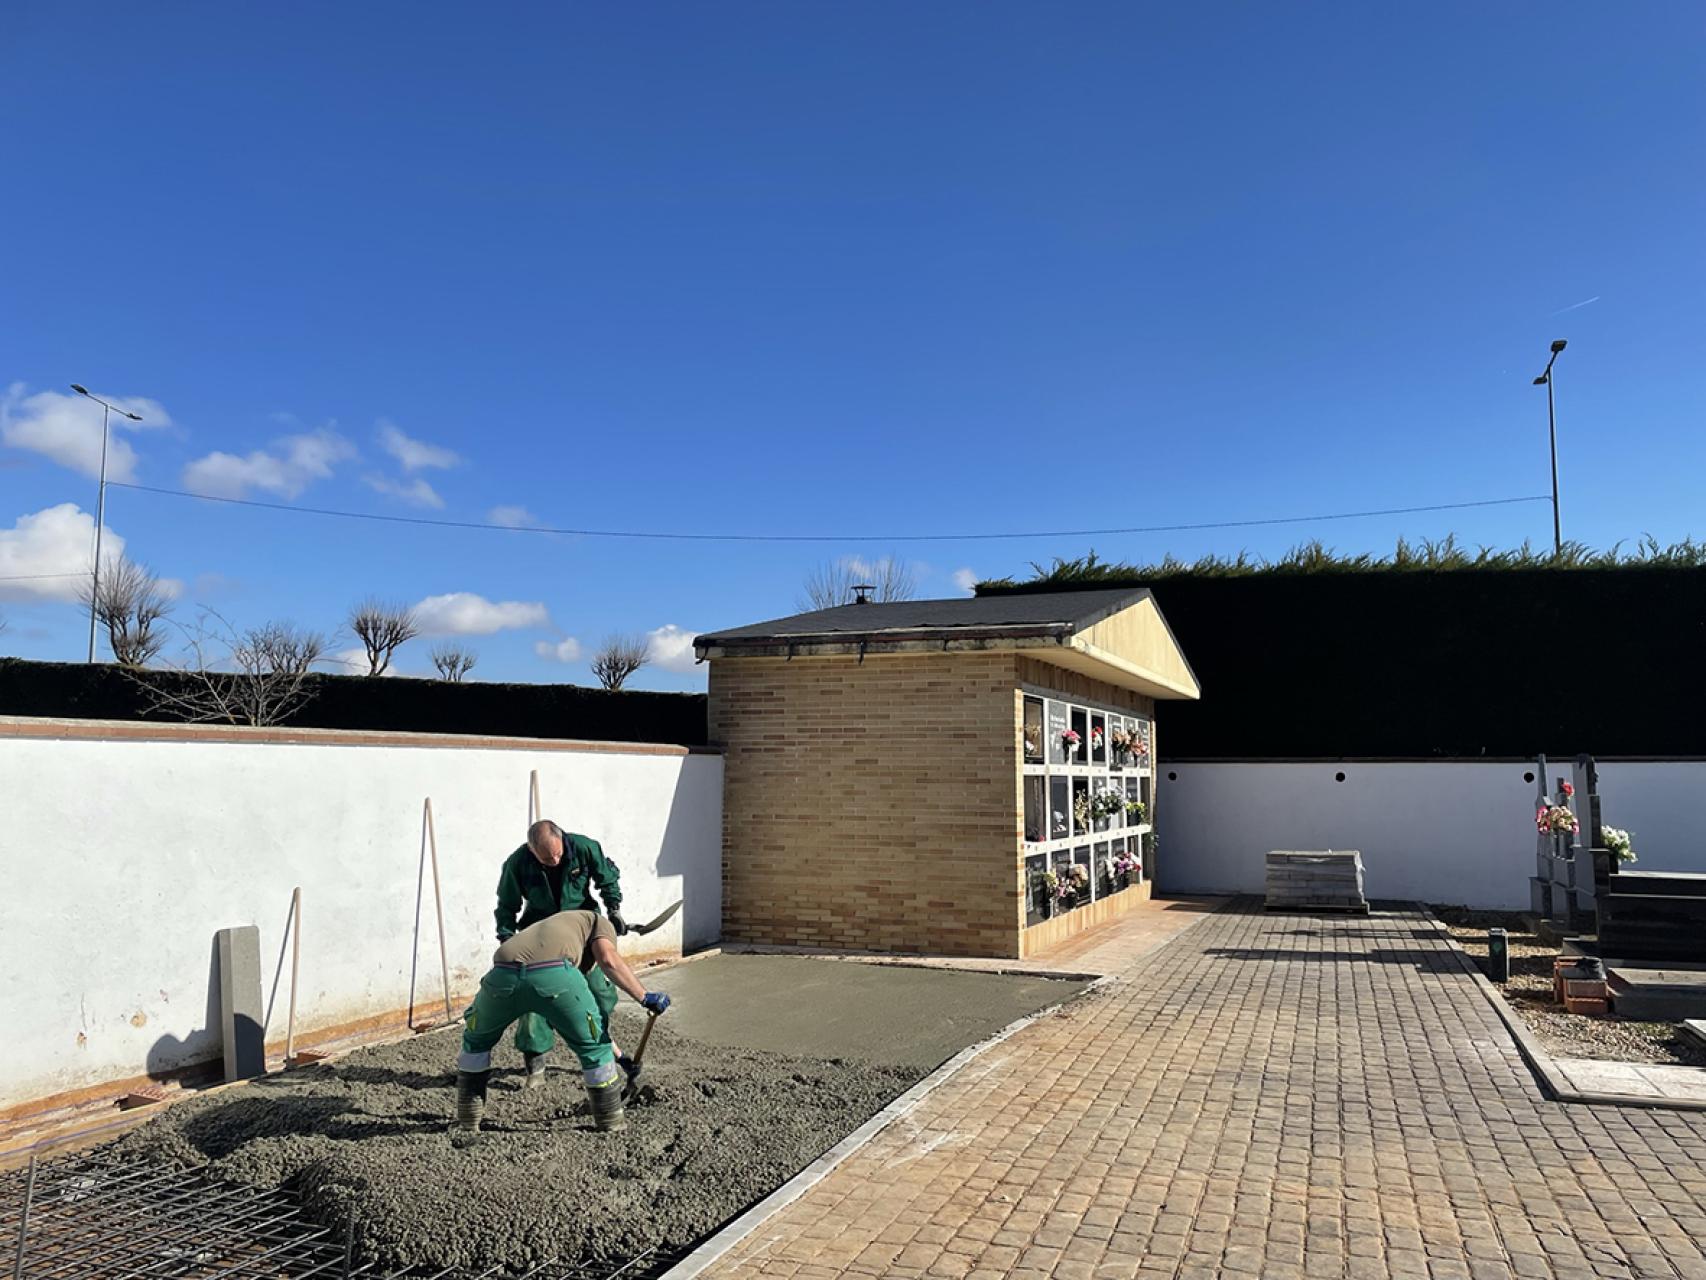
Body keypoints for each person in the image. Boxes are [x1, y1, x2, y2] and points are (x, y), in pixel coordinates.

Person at [452, 908, 671, 1139]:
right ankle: (610, 1122)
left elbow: (565, 1018)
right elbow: (608, 959)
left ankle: (468, 1121)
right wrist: (644, 997)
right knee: (593, 1049)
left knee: (475, 1042)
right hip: (555, 977)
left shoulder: (551, 928)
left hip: (500, 976)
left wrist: (621, 1057)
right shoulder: (599, 922)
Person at [495, 818, 627, 1084]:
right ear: (532, 851)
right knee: (533, 1001)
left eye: (557, 854)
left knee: (598, 995)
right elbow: (506, 905)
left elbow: (607, 878)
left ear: (562, 840)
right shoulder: (517, 863)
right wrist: (507, 938)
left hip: (581, 931)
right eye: (546, 858)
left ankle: (600, 1050)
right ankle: (535, 1065)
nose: (554, 861)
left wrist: (614, 910)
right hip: (540, 935)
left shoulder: (584, 848)